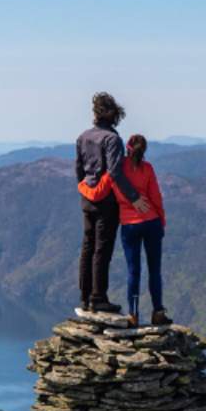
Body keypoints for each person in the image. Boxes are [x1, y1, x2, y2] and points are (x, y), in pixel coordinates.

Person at [74, 92, 153, 314]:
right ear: (112, 114)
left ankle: (85, 297)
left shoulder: (83, 137)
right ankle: (98, 298)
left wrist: (85, 190)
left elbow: (79, 170)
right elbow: (115, 172)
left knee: (87, 246)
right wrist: (134, 198)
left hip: (87, 199)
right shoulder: (112, 140)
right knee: (103, 248)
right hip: (106, 202)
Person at [113, 134, 169, 326]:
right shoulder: (148, 168)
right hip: (152, 221)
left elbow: (111, 188)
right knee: (155, 270)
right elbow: (156, 197)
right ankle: (158, 312)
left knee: (133, 271)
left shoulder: (118, 168)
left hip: (129, 225)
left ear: (127, 148)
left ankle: (133, 315)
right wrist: (161, 220)